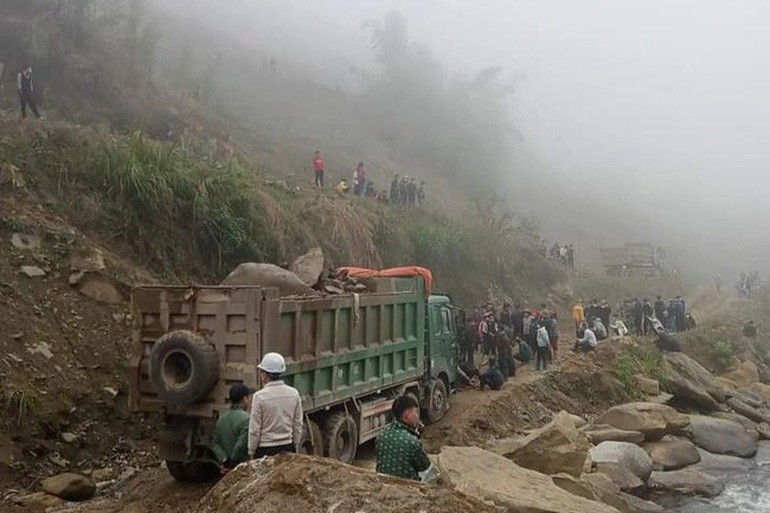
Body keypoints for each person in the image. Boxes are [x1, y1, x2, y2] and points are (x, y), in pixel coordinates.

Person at [248, 352, 303, 458]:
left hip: (264, 449)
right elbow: (298, 424)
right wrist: (294, 444)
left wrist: (251, 450)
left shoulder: (259, 397)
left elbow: (254, 429)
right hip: (287, 446)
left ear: (264, 375)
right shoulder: (294, 393)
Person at [375, 395, 430, 480]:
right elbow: (424, 466)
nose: (417, 417)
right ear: (407, 415)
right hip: (407, 487)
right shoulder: (412, 441)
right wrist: (417, 438)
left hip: (383, 483)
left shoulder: (382, 434)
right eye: (416, 412)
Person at [212, 383, 254, 470]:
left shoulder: (221, 419)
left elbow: (215, 443)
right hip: (241, 467)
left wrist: (224, 459)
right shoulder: (247, 419)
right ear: (244, 399)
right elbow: (241, 445)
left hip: (226, 467)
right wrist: (232, 462)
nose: (249, 401)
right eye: (248, 398)